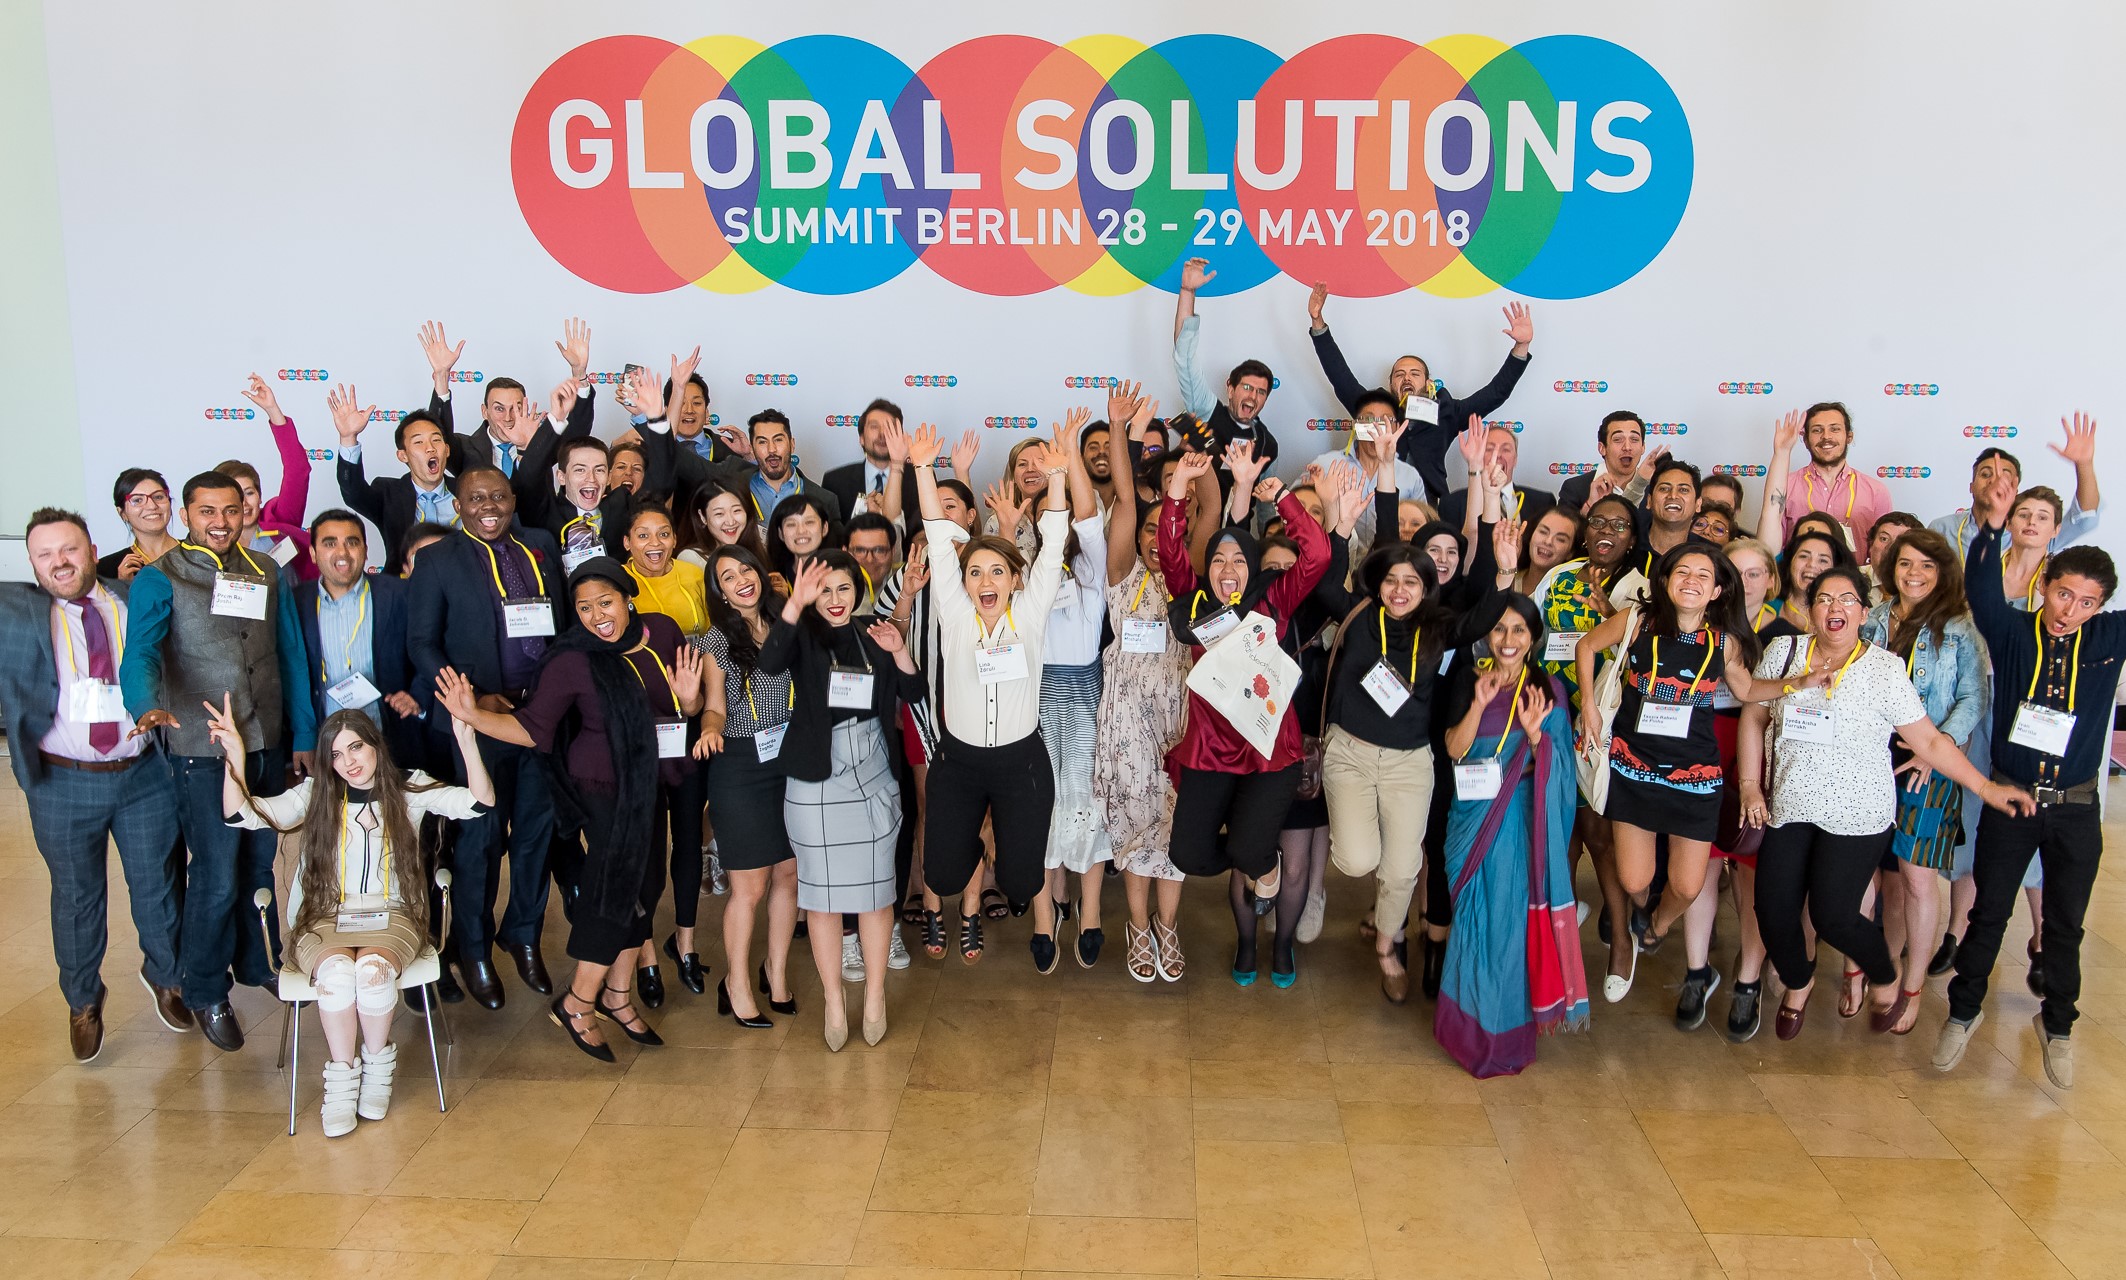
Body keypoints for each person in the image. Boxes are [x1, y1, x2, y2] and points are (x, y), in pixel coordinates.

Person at [1737, 565, 2031, 1040]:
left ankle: (1884, 973)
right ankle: (1798, 979)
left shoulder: (1884, 669)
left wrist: (1985, 788)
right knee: (1771, 911)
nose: (1835, 608)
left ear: (1863, 612)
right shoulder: (1783, 652)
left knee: (1834, 916)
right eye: (1824, 599)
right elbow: (1754, 717)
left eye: (1847, 600)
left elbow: (1929, 742)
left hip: (1858, 812)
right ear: (1810, 610)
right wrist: (1751, 784)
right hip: (1790, 805)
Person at [437, 558, 706, 1060]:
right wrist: (471, 715)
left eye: (605, 603)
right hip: (601, 788)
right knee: (617, 892)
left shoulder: (663, 632)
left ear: (628, 598)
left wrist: (691, 702)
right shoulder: (572, 660)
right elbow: (531, 728)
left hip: (649, 782)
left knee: (648, 888)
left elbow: (685, 707)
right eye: (584, 608)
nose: (597, 616)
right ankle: (578, 1002)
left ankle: (617, 996)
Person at [215, 701, 492, 1134]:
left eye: (356, 747)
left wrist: (467, 741)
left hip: (395, 915)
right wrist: (235, 757)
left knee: (372, 972)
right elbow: (241, 816)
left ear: (376, 744)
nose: (349, 762)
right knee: (339, 974)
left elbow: (478, 803)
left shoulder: (410, 787)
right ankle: (341, 1082)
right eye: (337, 754)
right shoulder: (315, 794)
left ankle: (378, 1070)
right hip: (324, 917)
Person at [119, 472, 317, 1050]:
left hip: (265, 741)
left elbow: (290, 655)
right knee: (215, 873)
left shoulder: (266, 570)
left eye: (230, 510)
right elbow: (141, 653)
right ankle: (205, 989)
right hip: (201, 750)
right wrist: (145, 705)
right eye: (207, 511)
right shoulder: (160, 577)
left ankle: (259, 963)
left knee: (259, 863)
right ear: (186, 515)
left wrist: (303, 732)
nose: (221, 522)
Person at [1936, 485, 2124, 1088]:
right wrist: (1992, 528)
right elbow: (1982, 588)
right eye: (2064, 594)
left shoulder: (2108, 639)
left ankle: (2058, 1025)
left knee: (2066, 924)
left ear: (2101, 607)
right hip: (2011, 799)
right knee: (1988, 913)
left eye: (2087, 602)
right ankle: (1962, 1013)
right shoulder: (2014, 631)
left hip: (2076, 809)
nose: (2071, 610)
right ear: (2045, 585)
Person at [3, 510, 187, 1060]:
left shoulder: (137, 598)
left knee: (158, 884)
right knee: (76, 896)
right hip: (62, 781)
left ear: (92, 550)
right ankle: (83, 1000)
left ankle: (168, 978)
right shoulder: (17, 613)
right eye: (45, 554)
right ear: (32, 562)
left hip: (144, 774)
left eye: (69, 549)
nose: (59, 562)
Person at [1574, 545, 1783, 1004]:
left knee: (1687, 887)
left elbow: (1748, 688)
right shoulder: (1637, 621)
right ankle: (1642, 910)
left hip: (1696, 777)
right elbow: (1586, 646)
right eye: (1682, 571)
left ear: (1717, 590)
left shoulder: (1724, 642)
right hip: (1634, 767)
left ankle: (1657, 925)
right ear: (1666, 581)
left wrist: (1798, 683)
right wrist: (1589, 704)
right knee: (1634, 880)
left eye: (1703, 575)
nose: (1691, 580)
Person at [904, 423, 1075, 968]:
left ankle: (996, 834)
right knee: (942, 874)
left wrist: (1057, 475)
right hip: (959, 762)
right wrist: (924, 469)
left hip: (1021, 761)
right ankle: (974, 836)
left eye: (997, 571)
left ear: (1013, 580)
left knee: (1024, 883)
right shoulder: (955, 615)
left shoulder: (1030, 613)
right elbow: (938, 537)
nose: (985, 581)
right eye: (975, 571)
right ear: (963, 581)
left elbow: (1053, 544)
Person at [1158, 447, 1331, 986]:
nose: (1228, 570)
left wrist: (1282, 498)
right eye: (1218, 560)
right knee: (1188, 854)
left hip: (1269, 750)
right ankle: (1257, 865)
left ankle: (1263, 866)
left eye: (1238, 560)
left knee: (1249, 849)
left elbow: (1317, 555)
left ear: (1253, 566)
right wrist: (1177, 491)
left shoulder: (1273, 602)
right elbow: (1169, 551)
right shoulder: (1193, 604)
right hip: (1210, 751)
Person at [406, 465, 567, 1010]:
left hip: (540, 717)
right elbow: (422, 643)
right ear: (458, 505)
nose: (489, 507)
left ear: (513, 499)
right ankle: (472, 949)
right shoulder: (437, 560)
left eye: (498, 496)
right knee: (481, 838)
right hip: (475, 722)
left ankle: (522, 934)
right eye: (476, 498)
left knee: (537, 832)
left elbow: (561, 628)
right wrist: (470, 700)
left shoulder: (540, 547)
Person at [1318, 426, 1464, 1002]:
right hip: (1350, 754)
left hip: (1410, 764)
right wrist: (1383, 468)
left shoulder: (1439, 628)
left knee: (1403, 870)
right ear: (1379, 583)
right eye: (1392, 580)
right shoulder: (1357, 614)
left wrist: (1502, 569)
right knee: (1360, 861)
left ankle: (1386, 944)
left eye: (1413, 581)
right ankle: (1380, 913)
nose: (1400, 589)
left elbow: (1486, 600)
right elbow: (1374, 542)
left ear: (1428, 588)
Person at [759, 552, 927, 1049]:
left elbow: (914, 692)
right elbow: (769, 665)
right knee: (822, 899)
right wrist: (795, 603)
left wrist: (899, 650)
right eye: (825, 590)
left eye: (843, 589)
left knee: (876, 895)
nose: (835, 600)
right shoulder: (802, 633)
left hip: (872, 769)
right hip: (816, 779)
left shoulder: (873, 631)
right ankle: (834, 999)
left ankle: (874, 995)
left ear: (858, 591)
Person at [1434, 592, 1589, 1076]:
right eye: (1499, 628)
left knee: (1504, 927)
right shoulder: (1469, 678)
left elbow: (1562, 772)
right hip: (1471, 817)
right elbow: (1454, 749)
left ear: (1533, 637)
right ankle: (1464, 1030)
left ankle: (1501, 1036)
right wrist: (1478, 706)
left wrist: (1537, 735)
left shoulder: (1548, 690)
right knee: (1472, 923)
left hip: (1518, 820)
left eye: (1519, 629)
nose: (1508, 638)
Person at [1093, 386, 1203, 982]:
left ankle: (1169, 925)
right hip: (1128, 717)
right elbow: (1123, 500)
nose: (1157, 537)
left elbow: (1208, 508)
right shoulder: (1123, 570)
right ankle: (1137, 927)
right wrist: (1120, 431)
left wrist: (1198, 456)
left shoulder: (1192, 580)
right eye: (1149, 527)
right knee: (1136, 822)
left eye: (1169, 529)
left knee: (1176, 822)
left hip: (1181, 716)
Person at [1860, 529, 1987, 1035]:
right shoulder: (1872, 618)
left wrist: (1939, 750)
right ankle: (1865, 970)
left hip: (1928, 764)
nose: (1914, 574)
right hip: (1869, 758)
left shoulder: (1958, 627)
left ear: (1943, 573)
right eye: (1906, 563)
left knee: (1915, 879)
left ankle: (1911, 989)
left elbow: (1974, 699)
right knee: (1866, 873)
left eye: (1927, 566)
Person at [693, 544, 800, 1025]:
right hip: (740, 764)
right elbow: (714, 704)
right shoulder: (717, 640)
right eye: (728, 577)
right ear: (720, 592)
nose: (741, 580)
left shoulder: (785, 621)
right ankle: (735, 982)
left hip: (791, 760)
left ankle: (775, 972)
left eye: (745, 569)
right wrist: (710, 729)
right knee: (749, 886)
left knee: (789, 874)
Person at [1681, 536, 1781, 1040]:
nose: (1744, 582)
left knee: (1750, 871)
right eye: (1734, 573)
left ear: (1771, 580)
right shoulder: (1700, 624)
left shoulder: (1787, 635)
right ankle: (1697, 970)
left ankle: (1748, 980)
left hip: (1762, 755)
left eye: (1754, 573)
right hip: (1703, 745)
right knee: (1699, 863)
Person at [1306, 282, 1533, 504]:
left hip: (1428, 504)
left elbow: (1495, 393)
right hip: (1377, 499)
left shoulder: (1448, 412)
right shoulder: (1374, 410)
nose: (1406, 378)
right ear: (1391, 384)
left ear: (1428, 383)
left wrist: (1521, 347)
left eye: (1415, 374)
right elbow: (1340, 376)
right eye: (1399, 374)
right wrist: (1318, 323)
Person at [620, 503, 712, 997]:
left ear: (675, 539)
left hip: (690, 720)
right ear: (627, 543)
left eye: (662, 534)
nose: (654, 543)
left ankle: (686, 942)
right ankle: (645, 953)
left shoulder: (695, 577)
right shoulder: (614, 588)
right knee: (648, 846)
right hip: (638, 735)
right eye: (642, 535)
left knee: (689, 838)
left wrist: (698, 702)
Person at [294, 511, 425, 766]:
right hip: (326, 746)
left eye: (352, 542)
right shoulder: (296, 602)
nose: (342, 552)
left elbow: (428, 648)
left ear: (365, 551)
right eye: (330, 543)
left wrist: (417, 694)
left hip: (393, 736)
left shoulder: (399, 594)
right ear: (313, 553)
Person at [419, 318, 596, 480]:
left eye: (516, 408)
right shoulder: (464, 449)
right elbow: (437, 434)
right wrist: (441, 376)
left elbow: (577, 434)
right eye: (499, 408)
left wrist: (579, 373)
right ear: (485, 412)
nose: (508, 417)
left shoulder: (539, 445)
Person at [1172, 257, 1281, 498]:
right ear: (1230, 389)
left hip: (1238, 521)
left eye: (1261, 392)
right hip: (1196, 514)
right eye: (1247, 387)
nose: (1253, 396)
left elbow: (1265, 507)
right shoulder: (1207, 411)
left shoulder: (1268, 444)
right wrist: (1188, 292)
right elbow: (1184, 358)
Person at [1928, 416, 2102, 560]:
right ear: (1971, 487)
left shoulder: (2031, 529)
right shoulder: (1942, 528)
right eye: (1986, 474)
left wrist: (2084, 465)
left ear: (2015, 491)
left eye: (2004, 477)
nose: (1994, 482)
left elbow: (2085, 518)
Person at [330, 383, 458, 574]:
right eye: (419, 442)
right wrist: (348, 438)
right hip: (403, 586)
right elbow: (353, 493)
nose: (430, 448)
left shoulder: (467, 490)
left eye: (436, 440)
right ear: (403, 455)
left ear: (446, 450)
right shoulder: (388, 493)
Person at [217, 374, 317, 580]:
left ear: (260, 496)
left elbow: (297, 470)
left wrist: (273, 411)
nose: (244, 504)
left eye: (249, 493)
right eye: (235, 497)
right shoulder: (210, 540)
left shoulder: (279, 522)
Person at [1759, 404, 1894, 552]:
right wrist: (1782, 451)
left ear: (1849, 437)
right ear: (1805, 440)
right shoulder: (1785, 485)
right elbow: (1768, 549)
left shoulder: (1876, 491)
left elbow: (1885, 552)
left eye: (1834, 429)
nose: (1826, 436)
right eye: (1817, 430)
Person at [1438, 420, 1558, 534]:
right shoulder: (1451, 504)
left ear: (1515, 460)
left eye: (1506, 449)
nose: (1498, 455)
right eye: (1489, 449)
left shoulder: (1543, 502)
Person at [823, 398, 916, 537]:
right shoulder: (835, 481)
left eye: (890, 427)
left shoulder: (918, 478)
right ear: (861, 438)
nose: (882, 434)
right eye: (874, 427)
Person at [745, 409, 843, 529]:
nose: (771, 449)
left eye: (778, 440)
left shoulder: (825, 500)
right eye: (762, 442)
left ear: (792, 445)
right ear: (752, 449)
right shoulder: (737, 488)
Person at [1556, 411, 1650, 515]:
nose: (1627, 447)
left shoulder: (1654, 490)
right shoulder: (1575, 488)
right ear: (1602, 448)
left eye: (1634, 439)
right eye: (1618, 439)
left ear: (1643, 447)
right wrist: (1589, 506)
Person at [97, 469, 179, 583]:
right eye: (137, 500)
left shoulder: (197, 553)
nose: (152, 506)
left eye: (158, 497)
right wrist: (123, 586)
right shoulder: (106, 570)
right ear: (122, 513)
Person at [677, 479, 772, 572]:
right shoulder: (692, 558)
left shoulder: (761, 544)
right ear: (702, 517)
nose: (730, 522)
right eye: (719, 514)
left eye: (736, 510)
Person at [765, 490, 842, 583]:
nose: (801, 531)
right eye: (791, 524)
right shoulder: (771, 579)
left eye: (809, 522)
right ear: (780, 533)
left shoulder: (842, 573)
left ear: (824, 528)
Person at [843, 512, 899, 616]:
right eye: (860, 550)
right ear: (845, 552)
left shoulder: (906, 586)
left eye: (879, 550)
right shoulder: (831, 592)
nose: (869, 560)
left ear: (893, 552)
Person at [1864, 511, 1922, 576]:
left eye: (1901, 541)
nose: (1891, 547)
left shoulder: (1922, 580)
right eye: (1884, 539)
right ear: (1871, 545)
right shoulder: (1856, 578)